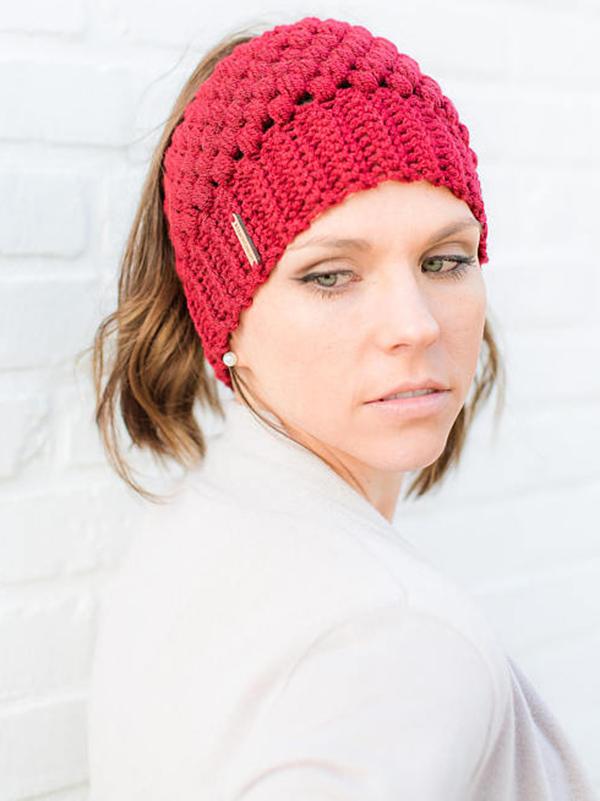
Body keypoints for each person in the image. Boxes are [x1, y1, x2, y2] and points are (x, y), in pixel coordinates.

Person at [83, 14, 598, 801]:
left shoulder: (192, 528)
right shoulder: (397, 638)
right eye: (329, 275)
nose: (416, 325)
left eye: (445, 260)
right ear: (225, 317)